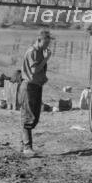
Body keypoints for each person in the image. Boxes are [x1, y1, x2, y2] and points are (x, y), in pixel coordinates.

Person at [19, 29, 53, 157]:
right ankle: (27, 147)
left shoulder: (39, 51)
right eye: (45, 43)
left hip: (35, 86)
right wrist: (46, 59)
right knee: (28, 116)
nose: (47, 46)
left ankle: (24, 144)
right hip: (29, 86)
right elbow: (34, 70)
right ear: (39, 40)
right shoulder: (33, 51)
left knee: (35, 116)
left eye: (48, 43)